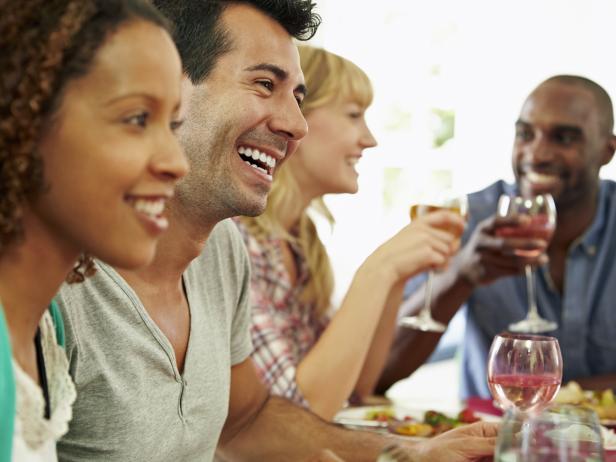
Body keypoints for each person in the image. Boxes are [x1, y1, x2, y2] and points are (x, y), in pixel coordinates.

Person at [55, 1, 497, 461]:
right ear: (169, 85)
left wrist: (405, 454)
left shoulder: (223, 248)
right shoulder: (58, 284)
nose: (296, 125)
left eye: (300, 99)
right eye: (265, 84)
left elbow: (248, 419)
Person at [0, 0, 188, 460]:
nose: (177, 163)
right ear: (23, 116)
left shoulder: (48, 330)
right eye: (137, 119)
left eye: (173, 124)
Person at [235, 45, 465, 420]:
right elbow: (296, 418)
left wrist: (398, 276)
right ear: (297, 120)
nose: (369, 139)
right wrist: (379, 271)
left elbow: (357, 387)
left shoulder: (300, 240)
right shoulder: (238, 240)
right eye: (354, 115)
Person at [377, 75, 616, 399]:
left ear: (607, 150)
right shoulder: (471, 219)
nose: (537, 153)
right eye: (525, 134)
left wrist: (566, 396)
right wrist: (460, 274)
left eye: (563, 138)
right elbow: (377, 373)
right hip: (492, 440)